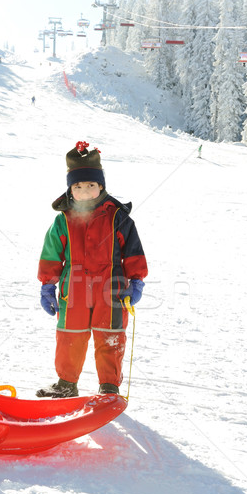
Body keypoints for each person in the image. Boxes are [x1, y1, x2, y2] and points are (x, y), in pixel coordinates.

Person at [36, 141, 148, 398]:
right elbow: (52, 253)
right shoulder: (63, 219)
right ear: (70, 189)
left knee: (110, 336)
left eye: (90, 185)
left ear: (101, 186)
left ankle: (109, 385)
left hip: (111, 288)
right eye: (78, 186)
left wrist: (137, 280)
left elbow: (133, 251)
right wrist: (48, 284)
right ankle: (66, 382)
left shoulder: (118, 217)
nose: (85, 191)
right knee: (69, 336)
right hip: (72, 289)